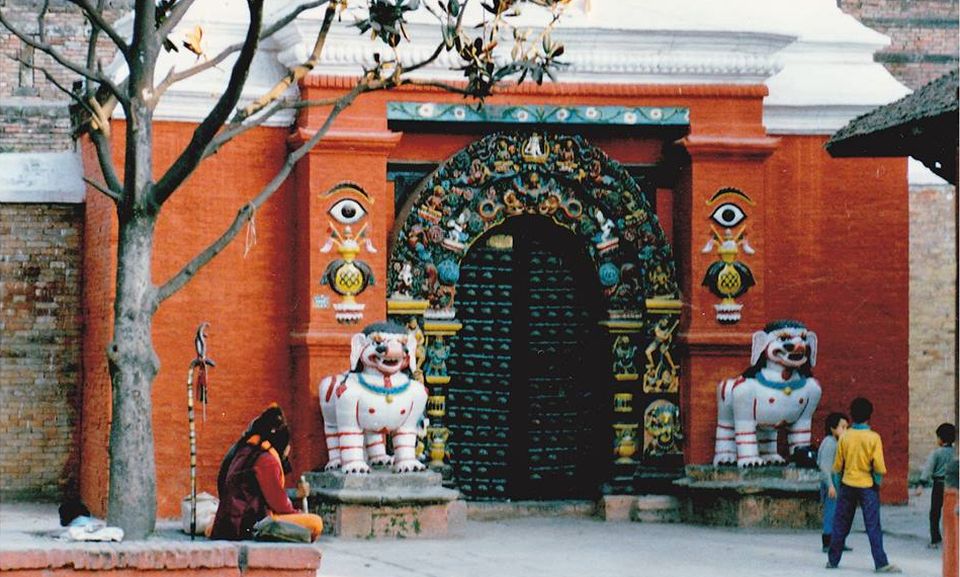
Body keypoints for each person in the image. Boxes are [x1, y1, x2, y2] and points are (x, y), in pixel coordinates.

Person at [207, 404, 323, 541]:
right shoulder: (266, 459)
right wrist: (299, 513)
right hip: (247, 526)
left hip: (230, 522)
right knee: (316, 523)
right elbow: (280, 506)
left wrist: (296, 497)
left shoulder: (245, 449)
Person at [826, 397, 900, 573]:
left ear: (851, 415)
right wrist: (876, 484)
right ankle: (880, 562)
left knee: (841, 522)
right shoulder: (874, 438)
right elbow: (879, 467)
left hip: (847, 484)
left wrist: (837, 486)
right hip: (867, 485)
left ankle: (833, 560)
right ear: (870, 416)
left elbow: (837, 467)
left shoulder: (845, 437)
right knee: (873, 525)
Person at [913, 422, 956, 548]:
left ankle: (935, 539)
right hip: (952, 485)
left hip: (939, 485)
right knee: (952, 512)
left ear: (940, 439)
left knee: (935, 512)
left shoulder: (936, 453)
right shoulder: (955, 453)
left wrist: (921, 484)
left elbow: (928, 469)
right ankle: (953, 537)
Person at [817, 412, 850, 552]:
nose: (845, 430)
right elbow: (825, 467)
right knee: (831, 512)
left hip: (837, 483)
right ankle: (828, 542)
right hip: (831, 483)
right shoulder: (830, 443)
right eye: (842, 427)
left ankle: (837, 542)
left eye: (846, 427)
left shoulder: (837, 442)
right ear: (832, 428)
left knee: (838, 513)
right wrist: (830, 486)